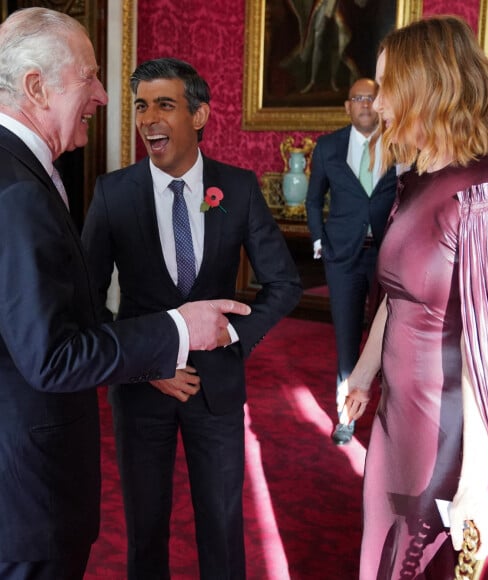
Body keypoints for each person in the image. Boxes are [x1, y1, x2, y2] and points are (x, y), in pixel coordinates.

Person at [0, 9, 251, 580]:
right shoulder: (19, 191)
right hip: (27, 486)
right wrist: (178, 331)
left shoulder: (21, 171)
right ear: (38, 87)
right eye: (89, 76)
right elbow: (52, 353)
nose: (104, 97)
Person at [339, 15, 488, 578]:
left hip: (452, 435)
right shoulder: (416, 179)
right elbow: (399, 296)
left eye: (386, 87)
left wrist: (476, 481)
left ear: (426, 88)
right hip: (396, 422)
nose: (375, 104)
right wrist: (363, 374)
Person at [81, 57, 302, 580]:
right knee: (145, 528)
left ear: (199, 115)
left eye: (164, 104)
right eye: (140, 106)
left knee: (222, 528)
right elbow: (87, 299)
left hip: (217, 387)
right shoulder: (113, 193)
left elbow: (285, 284)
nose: (148, 119)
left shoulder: (239, 189)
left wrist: (231, 333)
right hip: (140, 392)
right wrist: (144, 364)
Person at [305, 77, 397, 445]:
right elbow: (314, 200)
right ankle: (346, 415)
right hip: (342, 256)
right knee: (346, 339)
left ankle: (391, 417)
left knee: (391, 338)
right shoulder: (328, 147)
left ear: (380, 104)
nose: (364, 103)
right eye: (357, 97)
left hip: (387, 257)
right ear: (347, 106)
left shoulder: (399, 143)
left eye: (371, 98)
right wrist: (318, 241)